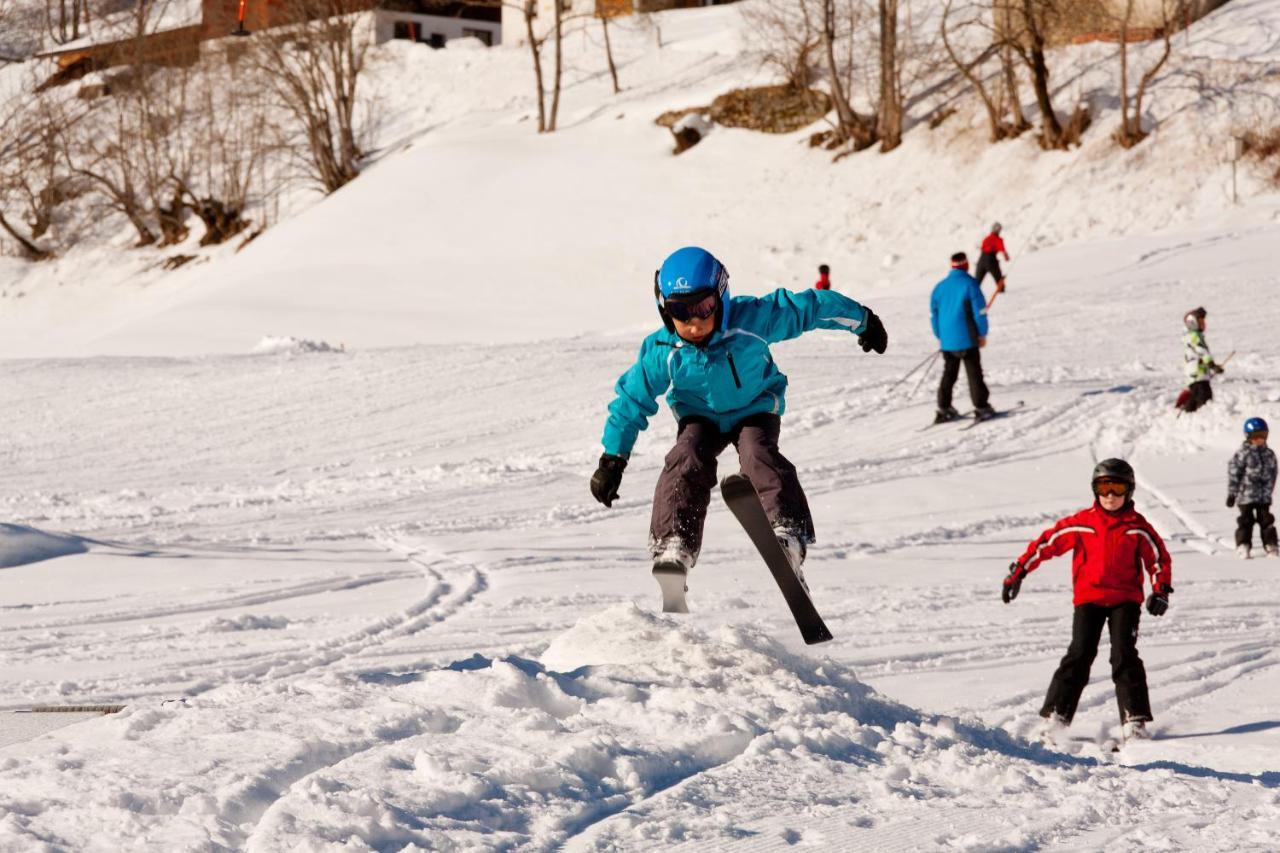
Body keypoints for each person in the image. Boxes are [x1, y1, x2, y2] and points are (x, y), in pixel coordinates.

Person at [589, 246, 888, 597]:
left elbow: (808, 307)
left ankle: (788, 534)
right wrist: (613, 458)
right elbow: (631, 399)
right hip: (699, 416)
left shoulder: (751, 321)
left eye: (703, 308)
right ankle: (673, 546)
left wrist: (863, 320)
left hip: (754, 408)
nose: (694, 323)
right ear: (664, 311)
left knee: (757, 453)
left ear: (721, 296)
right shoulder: (662, 348)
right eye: (680, 312)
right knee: (686, 457)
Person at [1002, 459, 1173, 742]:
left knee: (1124, 655)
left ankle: (1135, 720)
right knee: (1079, 654)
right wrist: (1019, 572)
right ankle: (1056, 717)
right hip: (1089, 599)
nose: (1110, 496)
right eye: (1104, 488)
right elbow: (1046, 544)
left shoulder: (1137, 527)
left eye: (1116, 488)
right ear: (1095, 491)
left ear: (1128, 491)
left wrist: (1160, 590)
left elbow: (1157, 559)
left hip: (1125, 601)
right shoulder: (1083, 523)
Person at [930, 251, 994, 423]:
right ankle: (982, 407)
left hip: (948, 342)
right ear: (965, 265)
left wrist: (941, 336)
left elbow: (934, 315)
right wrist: (982, 334)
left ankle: (944, 408)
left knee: (949, 374)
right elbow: (980, 313)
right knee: (974, 373)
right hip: (968, 339)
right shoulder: (970, 284)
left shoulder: (940, 287)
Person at [1227, 417, 1277, 559]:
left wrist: (1269, 490)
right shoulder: (1243, 454)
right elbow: (1234, 473)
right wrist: (1232, 493)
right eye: (1256, 436)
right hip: (1245, 496)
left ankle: (1271, 545)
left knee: (1266, 521)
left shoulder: (1269, 454)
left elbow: (1274, 473)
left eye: (1263, 436)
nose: (1260, 439)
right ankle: (1243, 545)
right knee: (1246, 521)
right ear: (1248, 436)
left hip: (1263, 497)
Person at [1176, 306, 1223, 414]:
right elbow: (1202, 351)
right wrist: (1212, 365)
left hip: (1195, 372)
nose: (1204, 324)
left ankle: (1188, 414)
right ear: (1192, 322)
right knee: (1204, 396)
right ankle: (1194, 415)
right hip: (1197, 372)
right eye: (1200, 321)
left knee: (1196, 395)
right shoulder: (1195, 336)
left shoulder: (1191, 336)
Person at [974, 223, 1010, 293]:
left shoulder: (986, 238)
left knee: (977, 281)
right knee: (998, 278)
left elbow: (982, 248)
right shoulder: (998, 239)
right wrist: (1006, 257)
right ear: (999, 230)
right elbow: (1003, 250)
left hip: (981, 260)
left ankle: (972, 295)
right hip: (991, 260)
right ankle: (1001, 291)